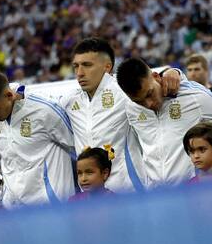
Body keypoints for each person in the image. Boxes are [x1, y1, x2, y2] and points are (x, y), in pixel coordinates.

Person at [116, 57, 212, 186]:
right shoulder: (131, 108)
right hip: (155, 197)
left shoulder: (194, 96)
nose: (148, 104)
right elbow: (134, 149)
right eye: (139, 102)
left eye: (149, 94)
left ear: (156, 77)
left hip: (193, 192)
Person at [0, 71, 77, 206]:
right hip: (15, 210)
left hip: (50, 208)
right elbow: (4, 158)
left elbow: (76, 148)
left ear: (9, 95)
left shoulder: (45, 110)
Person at [59, 38, 149, 194]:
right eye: (76, 66)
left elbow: (156, 83)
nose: (80, 73)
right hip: (90, 197)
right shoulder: (70, 101)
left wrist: (174, 72)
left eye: (87, 65)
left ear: (107, 67)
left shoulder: (123, 92)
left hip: (127, 192)